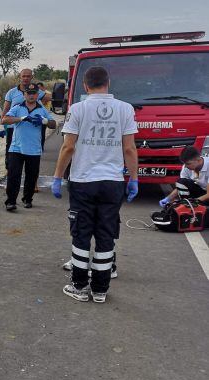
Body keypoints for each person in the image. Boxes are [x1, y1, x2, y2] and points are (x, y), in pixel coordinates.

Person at [51, 66, 139, 303]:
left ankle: (79, 286)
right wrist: (134, 178)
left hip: (83, 181)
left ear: (85, 86)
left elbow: (68, 146)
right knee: (105, 234)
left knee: (81, 234)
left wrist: (58, 177)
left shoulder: (78, 109)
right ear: (108, 83)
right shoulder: (125, 109)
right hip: (113, 182)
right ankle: (100, 290)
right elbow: (129, 148)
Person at [1, 83, 57, 211]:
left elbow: (53, 124)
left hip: (34, 149)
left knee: (31, 177)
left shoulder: (42, 109)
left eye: (34, 93)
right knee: (14, 176)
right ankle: (10, 202)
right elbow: (5, 120)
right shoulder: (17, 107)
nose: (31, 96)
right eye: (28, 93)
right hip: (16, 148)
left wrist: (45, 121)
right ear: (24, 94)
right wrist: (21, 118)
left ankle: (27, 199)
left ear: (37, 95)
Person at [3, 69, 51, 168]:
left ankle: (34, 181)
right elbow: (5, 111)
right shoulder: (11, 93)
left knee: (34, 159)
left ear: (31, 77)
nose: (26, 78)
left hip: (35, 126)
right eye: (23, 76)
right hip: (15, 127)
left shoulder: (37, 91)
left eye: (28, 76)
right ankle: (10, 175)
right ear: (19, 77)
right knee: (11, 158)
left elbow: (50, 96)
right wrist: (1, 127)